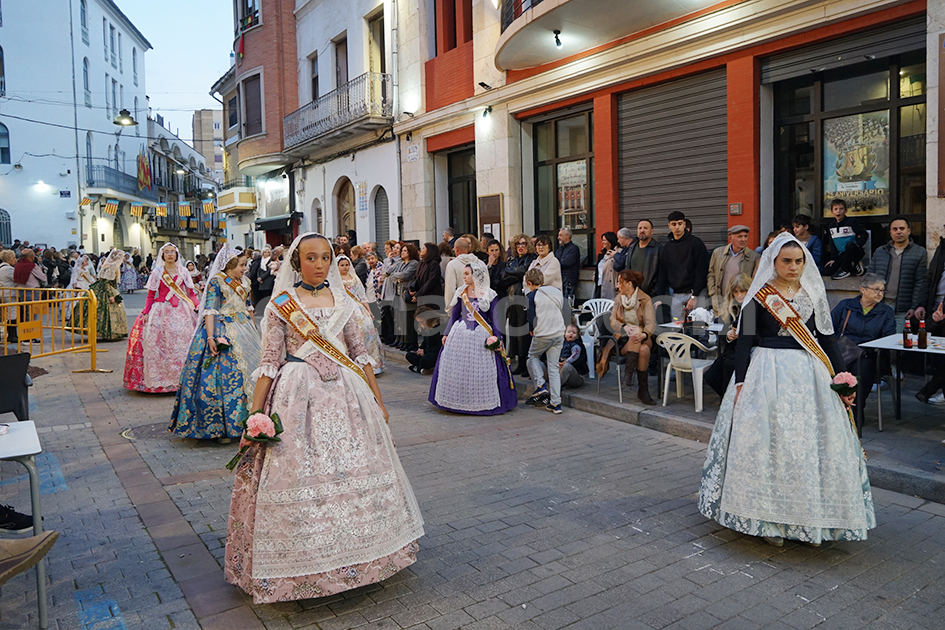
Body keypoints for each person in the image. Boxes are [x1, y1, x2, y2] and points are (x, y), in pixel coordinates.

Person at [224, 232, 424, 604]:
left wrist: (379, 403)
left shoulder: (343, 300)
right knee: (299, 475)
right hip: (297, 396)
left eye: (324, 258)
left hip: (348, 395)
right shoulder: (281, 304)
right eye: (310, 258)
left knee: (354, 472)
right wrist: (255, 414)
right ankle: (303, 566)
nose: (318, 264)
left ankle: (363, 555)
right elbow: (269, 361)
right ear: (296, 262)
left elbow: (360, 355)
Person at [698, 232, 875, 546]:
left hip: (810, 374)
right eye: (786, 261)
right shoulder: (759, 295)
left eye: (799, 261)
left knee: (808, 446)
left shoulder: (814, 294)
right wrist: (740, 382)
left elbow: (827, 339)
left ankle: (810, 519)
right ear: (773, 262)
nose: (793, 267)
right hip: (766, 373)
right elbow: (745, 342)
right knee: (770, 446)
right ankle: (768, 520)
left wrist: (841, 377)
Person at [170, 247, 262, 442]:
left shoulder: (245, 282)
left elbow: (248, 308)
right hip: (222, 329)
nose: (245, 269)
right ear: (229, 265)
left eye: (245, 265)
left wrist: (254, 331)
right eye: (241, 265)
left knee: (249, 375)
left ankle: (250, 421)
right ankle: (221, 428)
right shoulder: (217, 281)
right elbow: (210, 310)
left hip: (244, 330)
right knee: (223, 378)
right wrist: (210, 338)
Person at [429, 258, 517, 415]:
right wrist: (447, 333)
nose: (464, 277)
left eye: (467, 274)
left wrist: (497, 337)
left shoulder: (489, 294)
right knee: (458, 369)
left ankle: (482, 402)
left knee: (482, 371)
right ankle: (458, 401)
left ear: (476, 275)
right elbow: (454, 315)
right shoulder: (461, 292)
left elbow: (495, 318)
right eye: (464, 274)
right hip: (460, 334)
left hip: (481, 335)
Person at [123, 243, 198, 392]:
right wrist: (146, 312)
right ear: (162, 255)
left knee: (183, 344)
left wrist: (198, 306)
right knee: (160, 343)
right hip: (162, 310)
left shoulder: (183, 271)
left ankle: (182, 379)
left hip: (182, 311)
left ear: (177, 254)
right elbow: (151, 295)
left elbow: (191, 293)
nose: (170, 254)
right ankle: (162, 380)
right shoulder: (157, 272)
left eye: (172, 252)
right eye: (166, 252)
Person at [830, 274, 895, 428]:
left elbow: (889, 336)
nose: (880, 294)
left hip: (868, 354)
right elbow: (829, 328)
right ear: (863, 290)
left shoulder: (886, 311)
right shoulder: (846, 306)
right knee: (833, 372)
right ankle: (837, 411)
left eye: (882, 290)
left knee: (862, 373)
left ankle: (856, 411)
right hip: (843, 352)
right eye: (876, 289)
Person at [595, 269, 657, 405]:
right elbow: (612, 321)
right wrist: (624, 328)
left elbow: (651, 323)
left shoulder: (645, 299)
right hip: (622, 339)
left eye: (620, 282)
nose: (617, 286)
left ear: (629, 284)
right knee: (644, 350)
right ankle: (643, 390)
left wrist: (643, 334)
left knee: (638, 336)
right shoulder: (618, 298)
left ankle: (628, 375)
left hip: (644, 336)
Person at [868, 216, 928, 327]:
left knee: (897, 336)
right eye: (895, 229)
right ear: (890, 232)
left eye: (902, 228)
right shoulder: (880, 251)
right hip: (879, 305)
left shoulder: (919, 252)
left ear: (909, 231)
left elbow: (920, 282)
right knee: (875, 336)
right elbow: (870, 278)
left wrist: (914, 306)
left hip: (903, 309)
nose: (898, 232)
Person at [523, 268, 565, 414]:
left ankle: (540, 385)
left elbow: (531, 317)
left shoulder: (531, 295)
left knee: (532, 356)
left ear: (529, 283)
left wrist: (531, 329)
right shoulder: (556, 291)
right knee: (553, 368)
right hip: (558, 332)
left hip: (542, 333)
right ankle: (556, 403)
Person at [705, 273, 752, 398]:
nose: (739, 295)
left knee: (728, 366)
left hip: (749, 350)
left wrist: (742, 335)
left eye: (742, 291)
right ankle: (727, 398)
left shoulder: (754, 307)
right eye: (736, 292)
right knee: (711, 375)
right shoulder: (729, 307)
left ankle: (730, 399)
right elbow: (721, 330)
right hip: (731, 350)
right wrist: (728, 335)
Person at [337, 254, 384, 374]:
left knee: (367, 330)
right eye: (342, 265)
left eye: (347, 265)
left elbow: (362, 295)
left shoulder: (354, 278)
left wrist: (368, 311)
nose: (345, 267)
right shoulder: (335, 280)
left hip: (358, 308)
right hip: (343, 308)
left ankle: (372, 365)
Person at [658, 211, 709, 321]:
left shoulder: (696, 243)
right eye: (674, 224)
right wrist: (659, 296)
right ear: (669, 226)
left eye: (680, 224)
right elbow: (663, 272)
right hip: (676, 295)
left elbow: (702, 270)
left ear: (684, 224)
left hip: (696, 293)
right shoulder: (667, 248)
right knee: (676, 326)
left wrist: (695, 296)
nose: (677, 227)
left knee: (699, 326)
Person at [915, 226, 945, 405]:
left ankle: (929, 389)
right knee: (938, 356)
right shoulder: (942, 248)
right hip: (936, 307)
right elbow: (929, 278)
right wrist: (921, 303)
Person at [504, 234, 537, 375]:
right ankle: (519, 362)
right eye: (518, 244)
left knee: (524, 333)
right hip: (512, 299)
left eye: (523, 244)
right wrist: (513, 274)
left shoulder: (531, 259)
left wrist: (511, 273)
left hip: (524, 298)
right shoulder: (512, 260)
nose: (520, 247)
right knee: (514, 332)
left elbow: (524, 271)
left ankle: (526, 364)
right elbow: (505, 276)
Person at [707, 225, 760, 313]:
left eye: (745, 236)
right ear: (730, 237)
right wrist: (713, 295)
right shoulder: (718, 253)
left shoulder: (754, 257)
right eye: (740, 236)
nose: (743, 239)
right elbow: (711, 274)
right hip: (721, 302)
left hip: (741, 304)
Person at [822, 198, 869, 280]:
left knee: (850, 245)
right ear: (832, 212)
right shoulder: (830, 226)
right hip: (842, 255)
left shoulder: (851, 222)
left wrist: (858, 244)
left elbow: (864, 234)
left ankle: (845, 270)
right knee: (827, 272)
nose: (838, 211)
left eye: (841, 209)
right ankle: (854, 266)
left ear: (845, 211)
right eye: (836, 209)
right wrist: (833, 258)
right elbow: (831, 242)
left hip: (854, 251)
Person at [88, 249, 128, 341]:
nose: (123, 259)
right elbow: (106, 282)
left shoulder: (112, 266)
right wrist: (111, 295)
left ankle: (113, 332)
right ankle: (109, 332)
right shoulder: (111, 267)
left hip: (111, 289)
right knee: (107, 312)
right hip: (106, 291)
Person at [392, 243, 420, 351]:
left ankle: (411, 342)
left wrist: (397, 276)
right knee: (401, 319)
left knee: (409, 320)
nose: (402, 253)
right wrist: (397, 276)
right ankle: (404, 341)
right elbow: (393, 275)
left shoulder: (413, 263)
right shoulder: (401, 263)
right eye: (402, 250)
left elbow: (405, 275)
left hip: (408, 293)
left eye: (405, 251)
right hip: (399, 293)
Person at [622, 220, 662, 297]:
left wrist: (653, 294)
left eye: (645, 228)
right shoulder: (631, 248)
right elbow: (627, 270)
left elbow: (661, 276)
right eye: (640, 228)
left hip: (650, 296)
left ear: (652, 231)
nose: (642, 230)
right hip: (632, 294)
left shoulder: (658, 249)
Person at [442, 238, 480, 309]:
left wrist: (449, 309)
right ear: (469, 248)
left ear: (456, 248)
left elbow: (450, 291)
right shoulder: (481, 263)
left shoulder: (452, 265)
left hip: (461, 307)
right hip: (479, 306)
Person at [406, 306, 443, 374]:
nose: (421, 324)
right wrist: (420, 349)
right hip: (428, 351)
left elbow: (439, 346)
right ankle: (420, 368)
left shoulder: (438, 326)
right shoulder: (426, 326)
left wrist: (425, 351)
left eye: (422, 321)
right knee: (409, 355)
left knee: (425, 359)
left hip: (435, 352)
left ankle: (418, 368)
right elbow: (425, 341)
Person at [379, 241, 402, 344]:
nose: (394, 250)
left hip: (392, 292)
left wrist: (388, 260)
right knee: (387, 316)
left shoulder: (398, 261)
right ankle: (389, 337)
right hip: (385, 292)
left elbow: (388, 270)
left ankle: (394, 338)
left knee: (394, 318)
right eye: (394, 248)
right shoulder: (390, 261)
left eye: (397, 248)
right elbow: (384, 273)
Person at [555, 227, 581, 304]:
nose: (558, 237)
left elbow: (565, 263)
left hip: (568, 282)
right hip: (558, 281)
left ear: (567, 236)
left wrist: (555, 264)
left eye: (560, 235)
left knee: (567, 305)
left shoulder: (574, 249)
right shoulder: (559, 250)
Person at [559, 324, 588, 389]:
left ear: (577, 336)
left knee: (566, 366)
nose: (571, 334)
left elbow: (575, 356)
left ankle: (555, 388)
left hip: (576, 376)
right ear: (565, 334)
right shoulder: (562, 344)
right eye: (569, 332)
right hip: (562, 373)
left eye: (574, 333)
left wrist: (565, 362)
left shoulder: (577, 346)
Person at [0, 250, 17, 343]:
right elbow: (16, 278)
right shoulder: (8, 269)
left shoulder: (1, 268)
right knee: (12, 314)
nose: (15, 260)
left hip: (3, 293)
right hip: (10, 294)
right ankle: (12, 335)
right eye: (14, 258)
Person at [595, 232, 618, 299]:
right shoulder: (602, 254)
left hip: (610, 284)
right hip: (600, 283)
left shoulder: (616, 253)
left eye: (604, 240)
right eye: (602, 240)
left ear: (610, 241)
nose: (602, 242)